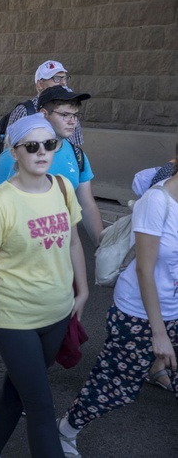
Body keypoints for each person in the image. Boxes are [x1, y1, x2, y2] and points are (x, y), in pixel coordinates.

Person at [0, 114, 89, 458]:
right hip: (16, 320)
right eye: (32, 146)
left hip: (57, 313)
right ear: (15, 152)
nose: (42, 152)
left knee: (17, 390)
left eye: (50, 145)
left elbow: (74, 242)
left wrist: (82, 289)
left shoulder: (61, 187)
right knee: (41, 406)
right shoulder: (1, 202)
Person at [57, 163, 178, 457]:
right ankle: (66, 428)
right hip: (138, 315)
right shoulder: (157, 201)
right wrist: (159, 333)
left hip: (173, 310)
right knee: (115, 386)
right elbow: (144, 271)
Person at [0, 86, 103, 246]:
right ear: (44, 114)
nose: (73, 121)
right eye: (65, 115)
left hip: (58, 259)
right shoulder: (12, 157)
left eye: (75, 115)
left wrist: (102, 245)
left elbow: (87, 205)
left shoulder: (77, 155)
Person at [7, 60, 84, 147]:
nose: (63, 83)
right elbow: (11, 149)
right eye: (57, 78)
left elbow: (76, 147)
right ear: (40, 84)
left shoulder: (71, 112)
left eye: (65, 78)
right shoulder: (25, 111)